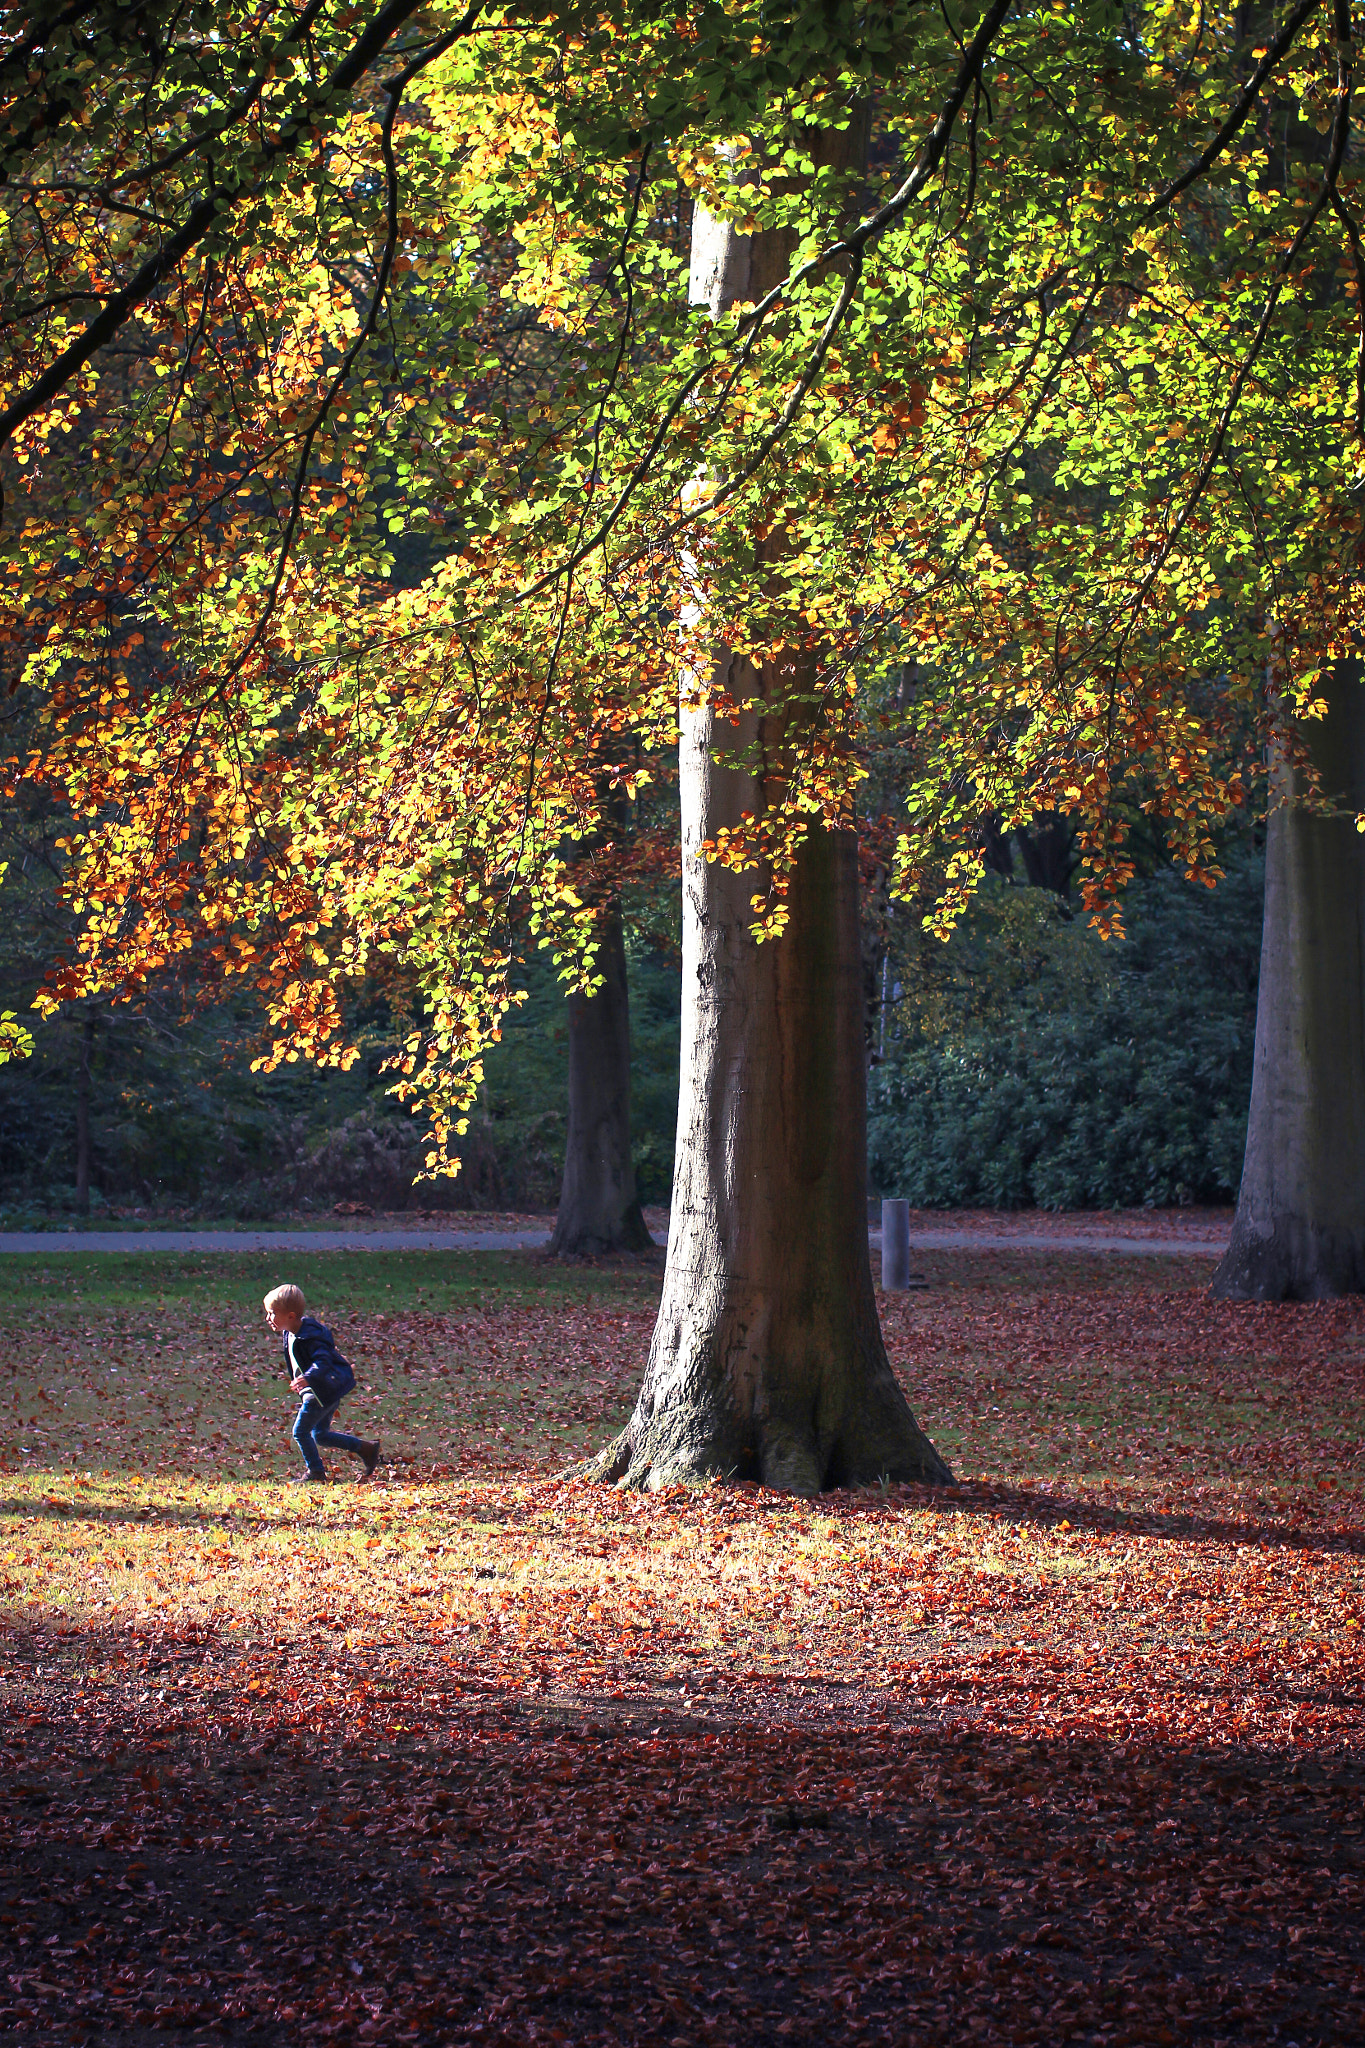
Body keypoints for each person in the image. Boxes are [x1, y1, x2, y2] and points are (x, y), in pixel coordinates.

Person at [263, 1283, 380, 1484]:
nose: (268, 1318)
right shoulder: (290, 1332)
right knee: (321, 1435)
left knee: (300, 1432)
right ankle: (366, 1448)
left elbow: (323, 1361)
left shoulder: (310, 1336)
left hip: (320, 1392)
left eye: (272, 1313)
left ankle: (315, 1472)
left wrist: (309, 1377)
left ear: (290, 1316)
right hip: (323, 1392)